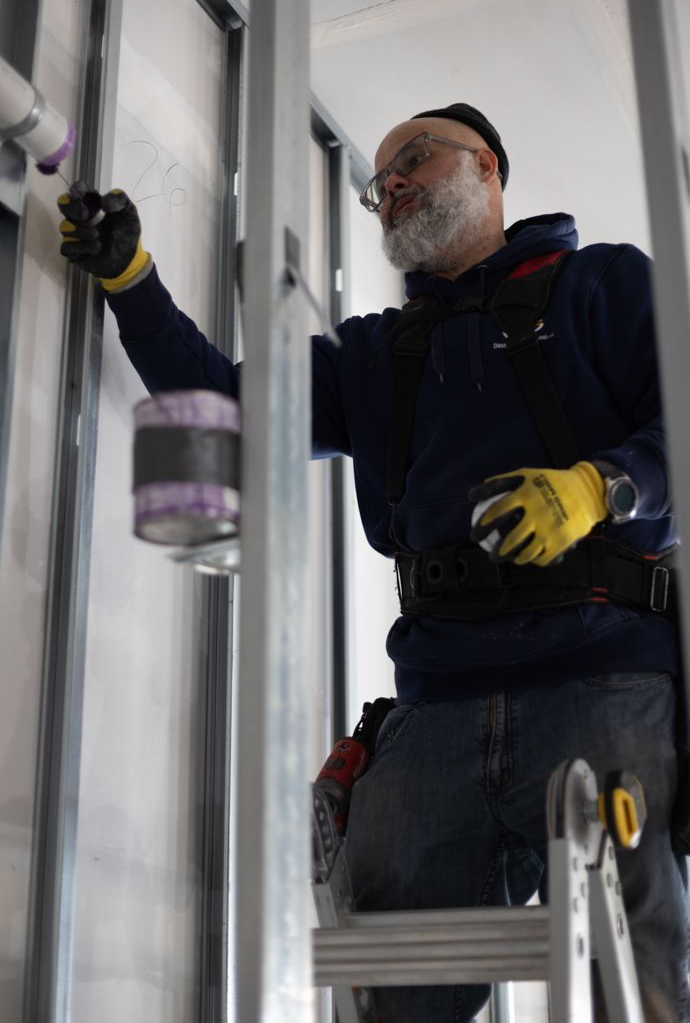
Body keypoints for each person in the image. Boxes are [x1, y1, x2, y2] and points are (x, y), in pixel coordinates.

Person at [58, 103, 689, 1022]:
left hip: (605, 682)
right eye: (378, 179)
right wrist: (130, 277)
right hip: (435, 707)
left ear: (488, 164)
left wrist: (601, 487)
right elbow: (227, 407)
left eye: (415, 160)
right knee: (389, 997)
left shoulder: (606, 286)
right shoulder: (378, 354)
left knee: (639, 984)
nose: (389, 184)